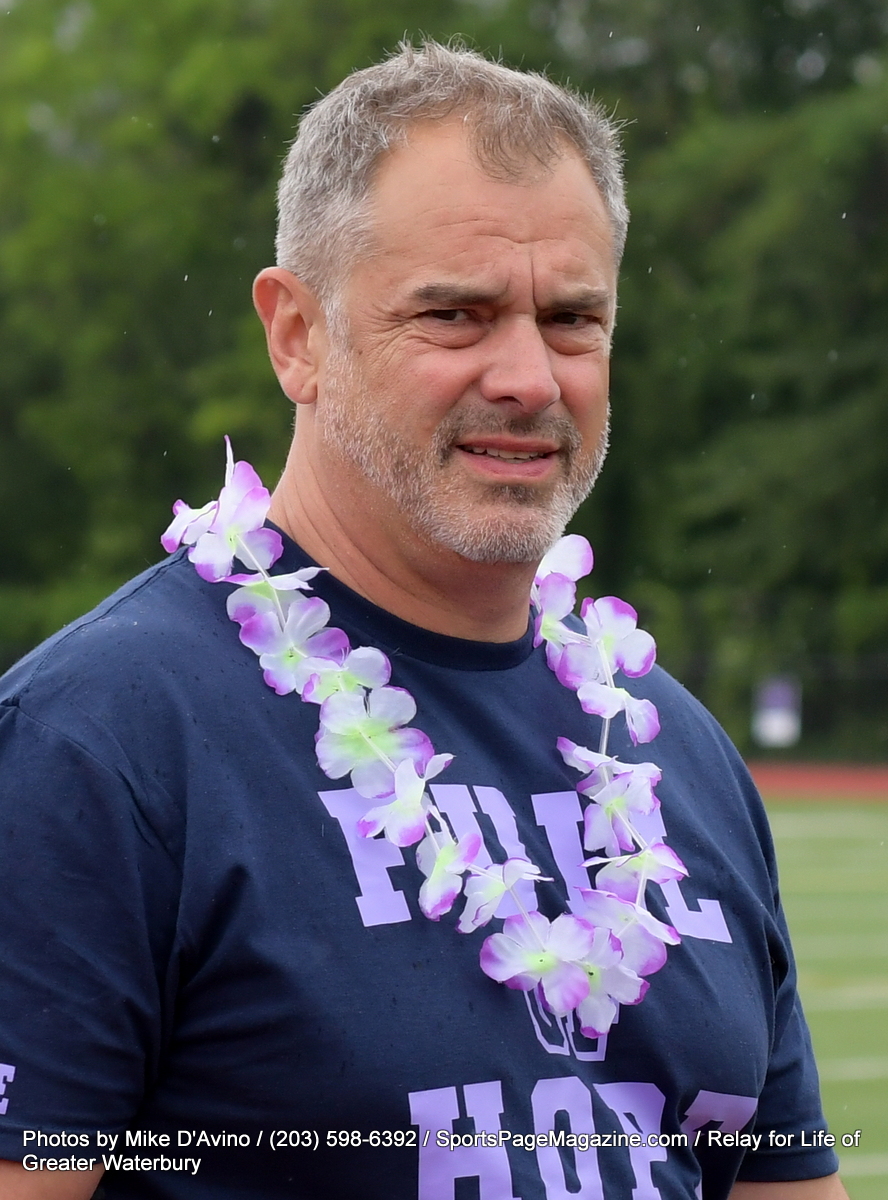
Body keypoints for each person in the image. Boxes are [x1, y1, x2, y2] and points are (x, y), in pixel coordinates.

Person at [0, 41, 848, 1200]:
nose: (529, 378)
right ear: (297, 336)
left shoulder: (676, 753)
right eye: (455, 314)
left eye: (573, 319)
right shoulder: (98, 744)